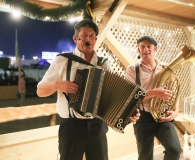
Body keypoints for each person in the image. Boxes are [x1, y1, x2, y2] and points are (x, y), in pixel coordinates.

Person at [37, 19, 140, 160]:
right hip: (71, 127)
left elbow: (111, 97)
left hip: (97, 126)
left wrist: (128, 114)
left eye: (92, 36)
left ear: (95, 39)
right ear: (75, 38)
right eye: (85, 35)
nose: (89, 39)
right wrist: (56, 85)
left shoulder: (103, 64)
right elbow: (40, 91)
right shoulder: (62, 60)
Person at [125, 35, 182, 160]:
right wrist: (155, 93)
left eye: (149, 47)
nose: (146, 50)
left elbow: (174, 92)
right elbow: (130, 96)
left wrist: (176, 112)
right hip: (143, 118)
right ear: (138, 49)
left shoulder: (166, 68)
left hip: (163, 116)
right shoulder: (132, 69)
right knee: (145, 157)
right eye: (142, 47)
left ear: (155, 49)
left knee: (175, 151)